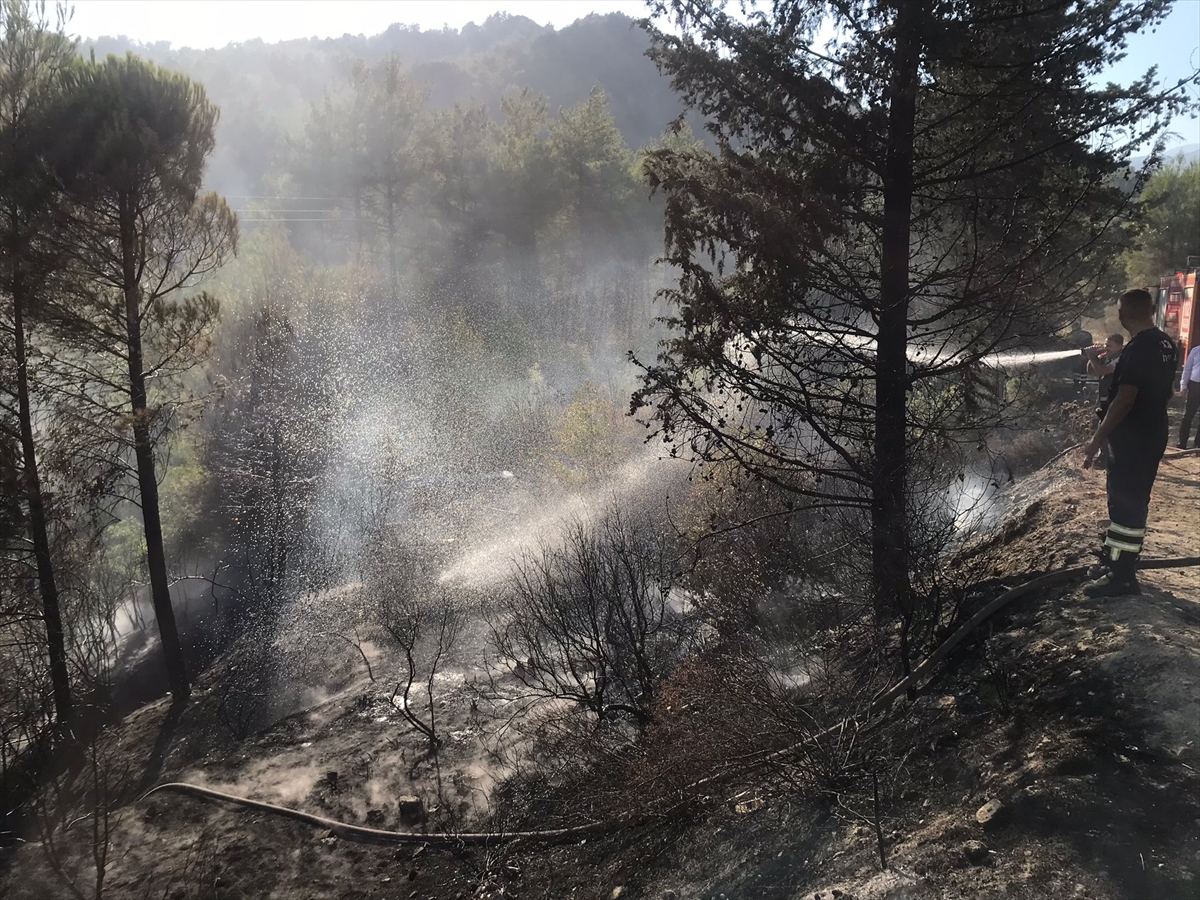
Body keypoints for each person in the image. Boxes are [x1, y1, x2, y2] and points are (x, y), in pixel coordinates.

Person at [1081, 289, 1178, 597]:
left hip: (1134, 437)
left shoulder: (1138, 348)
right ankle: (1114, 562)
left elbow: (1124, 400)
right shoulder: (1165, 343)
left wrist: (1097, 438)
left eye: (1120, 310)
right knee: (1130, 501)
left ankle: (1121, 577)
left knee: (1126, 504)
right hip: (1152, 431)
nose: (1118, 315)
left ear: (1126, 313)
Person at [1084, 334, 1124, 467]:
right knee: (1103, 425)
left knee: (1106, 426)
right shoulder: (1107, 357)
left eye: (1109, 346)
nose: (1106, 348)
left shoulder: (1121, 359)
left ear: (1119, 346)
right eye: (1105, 344)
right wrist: (1094, 356)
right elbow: (1090, 369)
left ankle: (1106, 458)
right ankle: (1105, 455)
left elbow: (1102, 371)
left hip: (1115, 399)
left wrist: (1092, 357)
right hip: (1104, 397)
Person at [1178, 343, 1200, 450]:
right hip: (1194, 385)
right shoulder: (1195, 351)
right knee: (1188, 415)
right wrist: (1183, 386)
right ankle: (1182, 442)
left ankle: (1198, 444)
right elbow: (1187, 369)